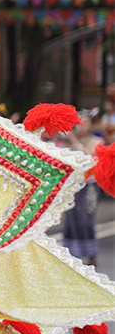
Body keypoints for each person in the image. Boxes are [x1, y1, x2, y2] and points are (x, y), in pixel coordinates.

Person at [63, 111, 104, 266]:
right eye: (79, 122)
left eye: (85, 122)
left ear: (92, 125)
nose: (81, 126)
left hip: (90, 186)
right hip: (73, 186)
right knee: (71, 219)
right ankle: (72, 252)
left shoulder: (97, 141)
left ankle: (91, 253)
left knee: (86, 219)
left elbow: (90, 157)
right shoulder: (71, 142)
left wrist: (75, 142)